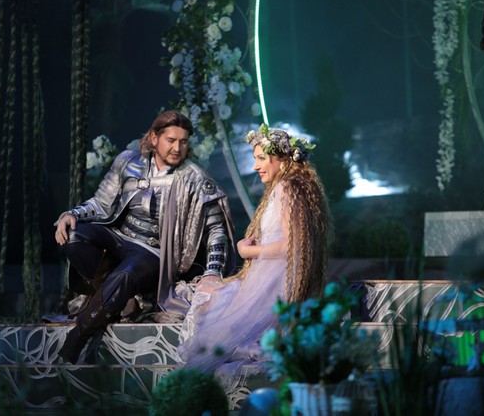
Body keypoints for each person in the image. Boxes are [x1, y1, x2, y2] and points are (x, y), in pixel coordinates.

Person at [53, 110, 235, 364]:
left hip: (152, 252)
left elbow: (217, 230)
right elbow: (102, 202)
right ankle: (119, 296)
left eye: (183, 142)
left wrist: (212, 272)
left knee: (126, 274)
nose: (177, 148)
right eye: (171, 140)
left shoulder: (195, 178)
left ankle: (77, 337)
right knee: (73, 236)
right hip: (119, 237)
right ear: (154, 138)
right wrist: (71, 214)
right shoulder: (128, 162)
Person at [176, 123, 331, 386]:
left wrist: (247, 250)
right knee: (212, 292)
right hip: (277, 281)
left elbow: (291, 246)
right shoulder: (292, 187)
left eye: (261, 158)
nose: (256, 166)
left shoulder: (286, 188)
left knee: (209, 300)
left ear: (281, 159)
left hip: (275, 287)